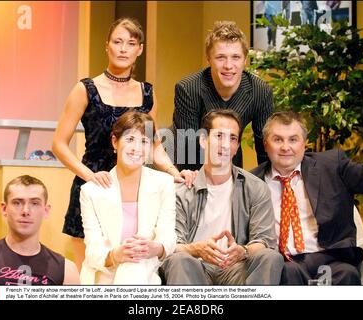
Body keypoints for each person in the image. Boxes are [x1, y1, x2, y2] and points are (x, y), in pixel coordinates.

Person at [52, 18, 194, 271]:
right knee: (92, 270)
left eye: (130, 43)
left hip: (135, 187)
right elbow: (59, 144)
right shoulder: (85, 88)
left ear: (139, 49)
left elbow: (155, 146)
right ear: (107, 46)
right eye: (117, 42)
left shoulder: (147, 93)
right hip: (94, 184)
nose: (123, 49)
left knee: (134, 265)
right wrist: (90, 177)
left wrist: (174, 173)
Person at [251, 111, 363, 285]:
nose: (285, 147)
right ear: (266, 145)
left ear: (304, 144)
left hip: (332, 258)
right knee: (285, 275)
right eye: (278, 139)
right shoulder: (251, 181)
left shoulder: (332, 165)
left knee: (347, 275)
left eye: (293, 139)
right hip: (286, 262)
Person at [162, 109, 284, 285]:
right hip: (196, 267)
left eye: (232, 138)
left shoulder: (256, 187)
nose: (226, 145)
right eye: (219, 136)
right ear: (203, 140)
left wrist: (243, 251)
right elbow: (172, 244)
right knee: (178, 260)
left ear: (237, 146)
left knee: (270, 257)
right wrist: (196, 249)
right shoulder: (181, 190)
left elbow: (264, 241)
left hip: (237, 268)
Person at [79, 111, 176, 284]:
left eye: (144, 141)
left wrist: (155, 248)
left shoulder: (164, 184)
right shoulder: (91, 191)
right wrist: (116, 255)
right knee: (129, 263)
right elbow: (93, 250)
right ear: (115, 142)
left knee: (134, 264)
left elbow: (168, 238)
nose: (137, 148)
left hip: (146, 272)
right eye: (130, 139)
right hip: (105, 274)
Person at [172, 20, 274, 172]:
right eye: (220, 57)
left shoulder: (260, 91)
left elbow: (265, 151)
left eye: (236, 57)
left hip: (232, 160)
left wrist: (263, 188)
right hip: (194, 167)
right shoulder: (188, 89)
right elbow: (188, 151)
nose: (228, 65)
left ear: (245, 60)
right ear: (209, 59)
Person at [0, 175, 80, 285]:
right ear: (4, 209)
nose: (26, 211)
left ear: (46, 211)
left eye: (35, 203)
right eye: (17, 203)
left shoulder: (66, 270)